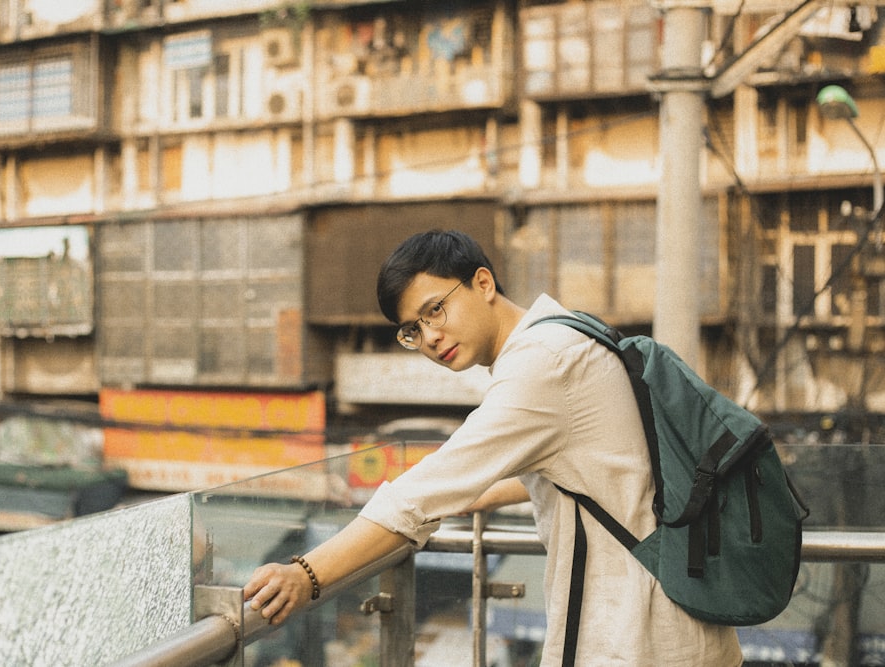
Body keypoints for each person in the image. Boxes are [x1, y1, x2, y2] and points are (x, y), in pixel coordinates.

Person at [245, 229, 743, 665]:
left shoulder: (541, 366)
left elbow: (416, 497)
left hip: (635, 636)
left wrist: (306, 574)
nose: (430, 337)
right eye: (412, 330)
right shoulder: (568, 333)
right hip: (674, 620)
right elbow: (605, 465)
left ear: (483, 283)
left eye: (434, 310)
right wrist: (484, 491)